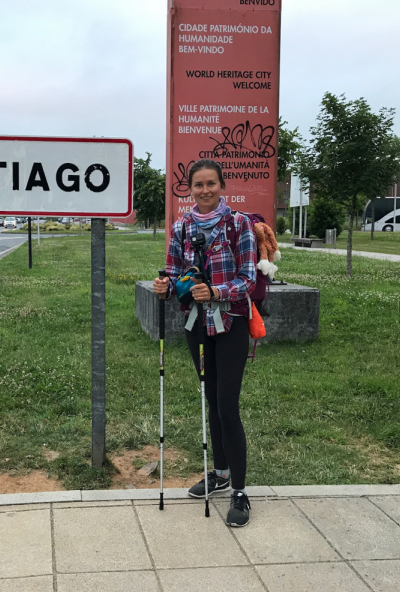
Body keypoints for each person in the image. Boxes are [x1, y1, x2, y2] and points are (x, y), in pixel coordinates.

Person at [152, 159, 257, 527]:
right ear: (190, 189)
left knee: (228, 405)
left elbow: (249, 281)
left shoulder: (240, 224)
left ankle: (240, 492)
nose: (205, 190)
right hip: (196, 326)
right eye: (198, 185)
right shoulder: (181, 227)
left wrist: (215, 291)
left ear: (221, 185)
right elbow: (173, 272)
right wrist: (165, 286)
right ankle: (221, 473)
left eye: (211, 183)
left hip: (231, 324)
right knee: (210, 400)